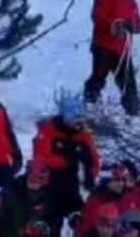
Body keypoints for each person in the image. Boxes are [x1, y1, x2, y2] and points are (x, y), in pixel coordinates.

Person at [84, 0, 140, 116]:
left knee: (128, 82)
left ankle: (133, 115)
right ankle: (88, 108)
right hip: (103, 45)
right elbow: (97, 16)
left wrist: (133, 26)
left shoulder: (131, 2)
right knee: (98, 78)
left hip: (122, 49)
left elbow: (139, 24)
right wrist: (114, 23)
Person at [32, 95, 101, 223]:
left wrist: (90, 176)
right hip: (48, 186)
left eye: (81, 119)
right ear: (66, 117)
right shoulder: (49, 130)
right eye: (75, 119)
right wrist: (65, 160)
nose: (78, 123)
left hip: (72, 185)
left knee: (81, 220)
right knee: (49, 223)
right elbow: (40, 158)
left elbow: (94, 160)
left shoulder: (83, 136)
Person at [76, 162, 140, 237]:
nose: (121, 184)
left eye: (122, 180)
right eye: (117, 180)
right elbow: (88, 228)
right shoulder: (97, 200)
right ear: (107, 182)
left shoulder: (126, 197)